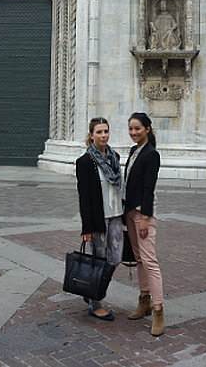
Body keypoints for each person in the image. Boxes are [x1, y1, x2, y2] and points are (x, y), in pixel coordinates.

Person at [76, 117, 124, 321]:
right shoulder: (85, 162)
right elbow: (84, 197)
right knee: (99, 260)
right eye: (99, 132)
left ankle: (93, 292)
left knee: (115, 258)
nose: (103, 135)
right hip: (98, 219)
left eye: (106, 131)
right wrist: (87, 227)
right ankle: (96, 303)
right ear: (91, 135)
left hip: (116, 215)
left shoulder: (115, 157)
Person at [124, 112, 164, 336]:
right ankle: (144, 300)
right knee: (138, 258)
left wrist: (146, 218)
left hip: (142, 214)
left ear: (148, 128)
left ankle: (158, 310)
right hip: (130, 212)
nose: (133, 132)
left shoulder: (151, 154)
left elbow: (148, 188)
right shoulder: (134, 150)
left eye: (137, 128)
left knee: (150, 262)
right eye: (130, 128)